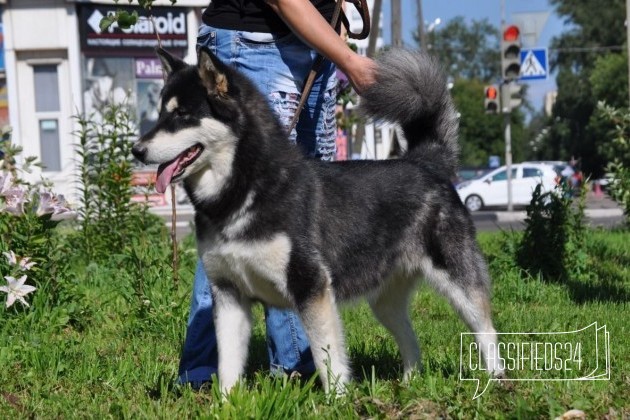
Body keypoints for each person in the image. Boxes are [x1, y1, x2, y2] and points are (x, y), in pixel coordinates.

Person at [177, 0, 377, 388]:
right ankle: (202, 374)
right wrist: (350, 61)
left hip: (308, 42)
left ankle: (292, 367)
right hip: (255, 47)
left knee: (293, 214)